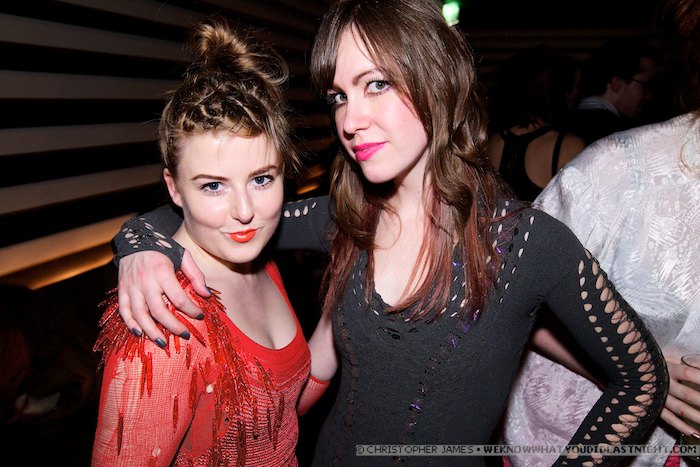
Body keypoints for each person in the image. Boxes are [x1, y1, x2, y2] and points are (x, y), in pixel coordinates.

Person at [110, 1, 668, 465]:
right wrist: (138, 245)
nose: (350, 121)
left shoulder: (526, 242)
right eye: (339, 96)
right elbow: (223, 214)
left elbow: (643, 380)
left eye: (375, 84)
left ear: (435, 81)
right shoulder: (347, 218)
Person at [91, 17, 319, 466]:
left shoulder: (260, 262)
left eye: (261, 178)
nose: (244, 211)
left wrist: (333, 332)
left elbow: (275, 424)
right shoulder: (163, 320)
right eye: (213, 186)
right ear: (174, 189)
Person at [503, 0, 700, 465]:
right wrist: (641, 372)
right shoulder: (612, 164)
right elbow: (510, 286)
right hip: (561, 438)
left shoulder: (509, 138)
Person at [486, 45, 586, 201]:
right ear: (557, 91)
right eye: (572, 86)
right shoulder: (568, 145)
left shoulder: (492, 142)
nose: (576, 93)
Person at [565, 36, 661, 145]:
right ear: (616, 84)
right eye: (646, 86)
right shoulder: (622, 136)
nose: (649, 96)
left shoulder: (560, 126)